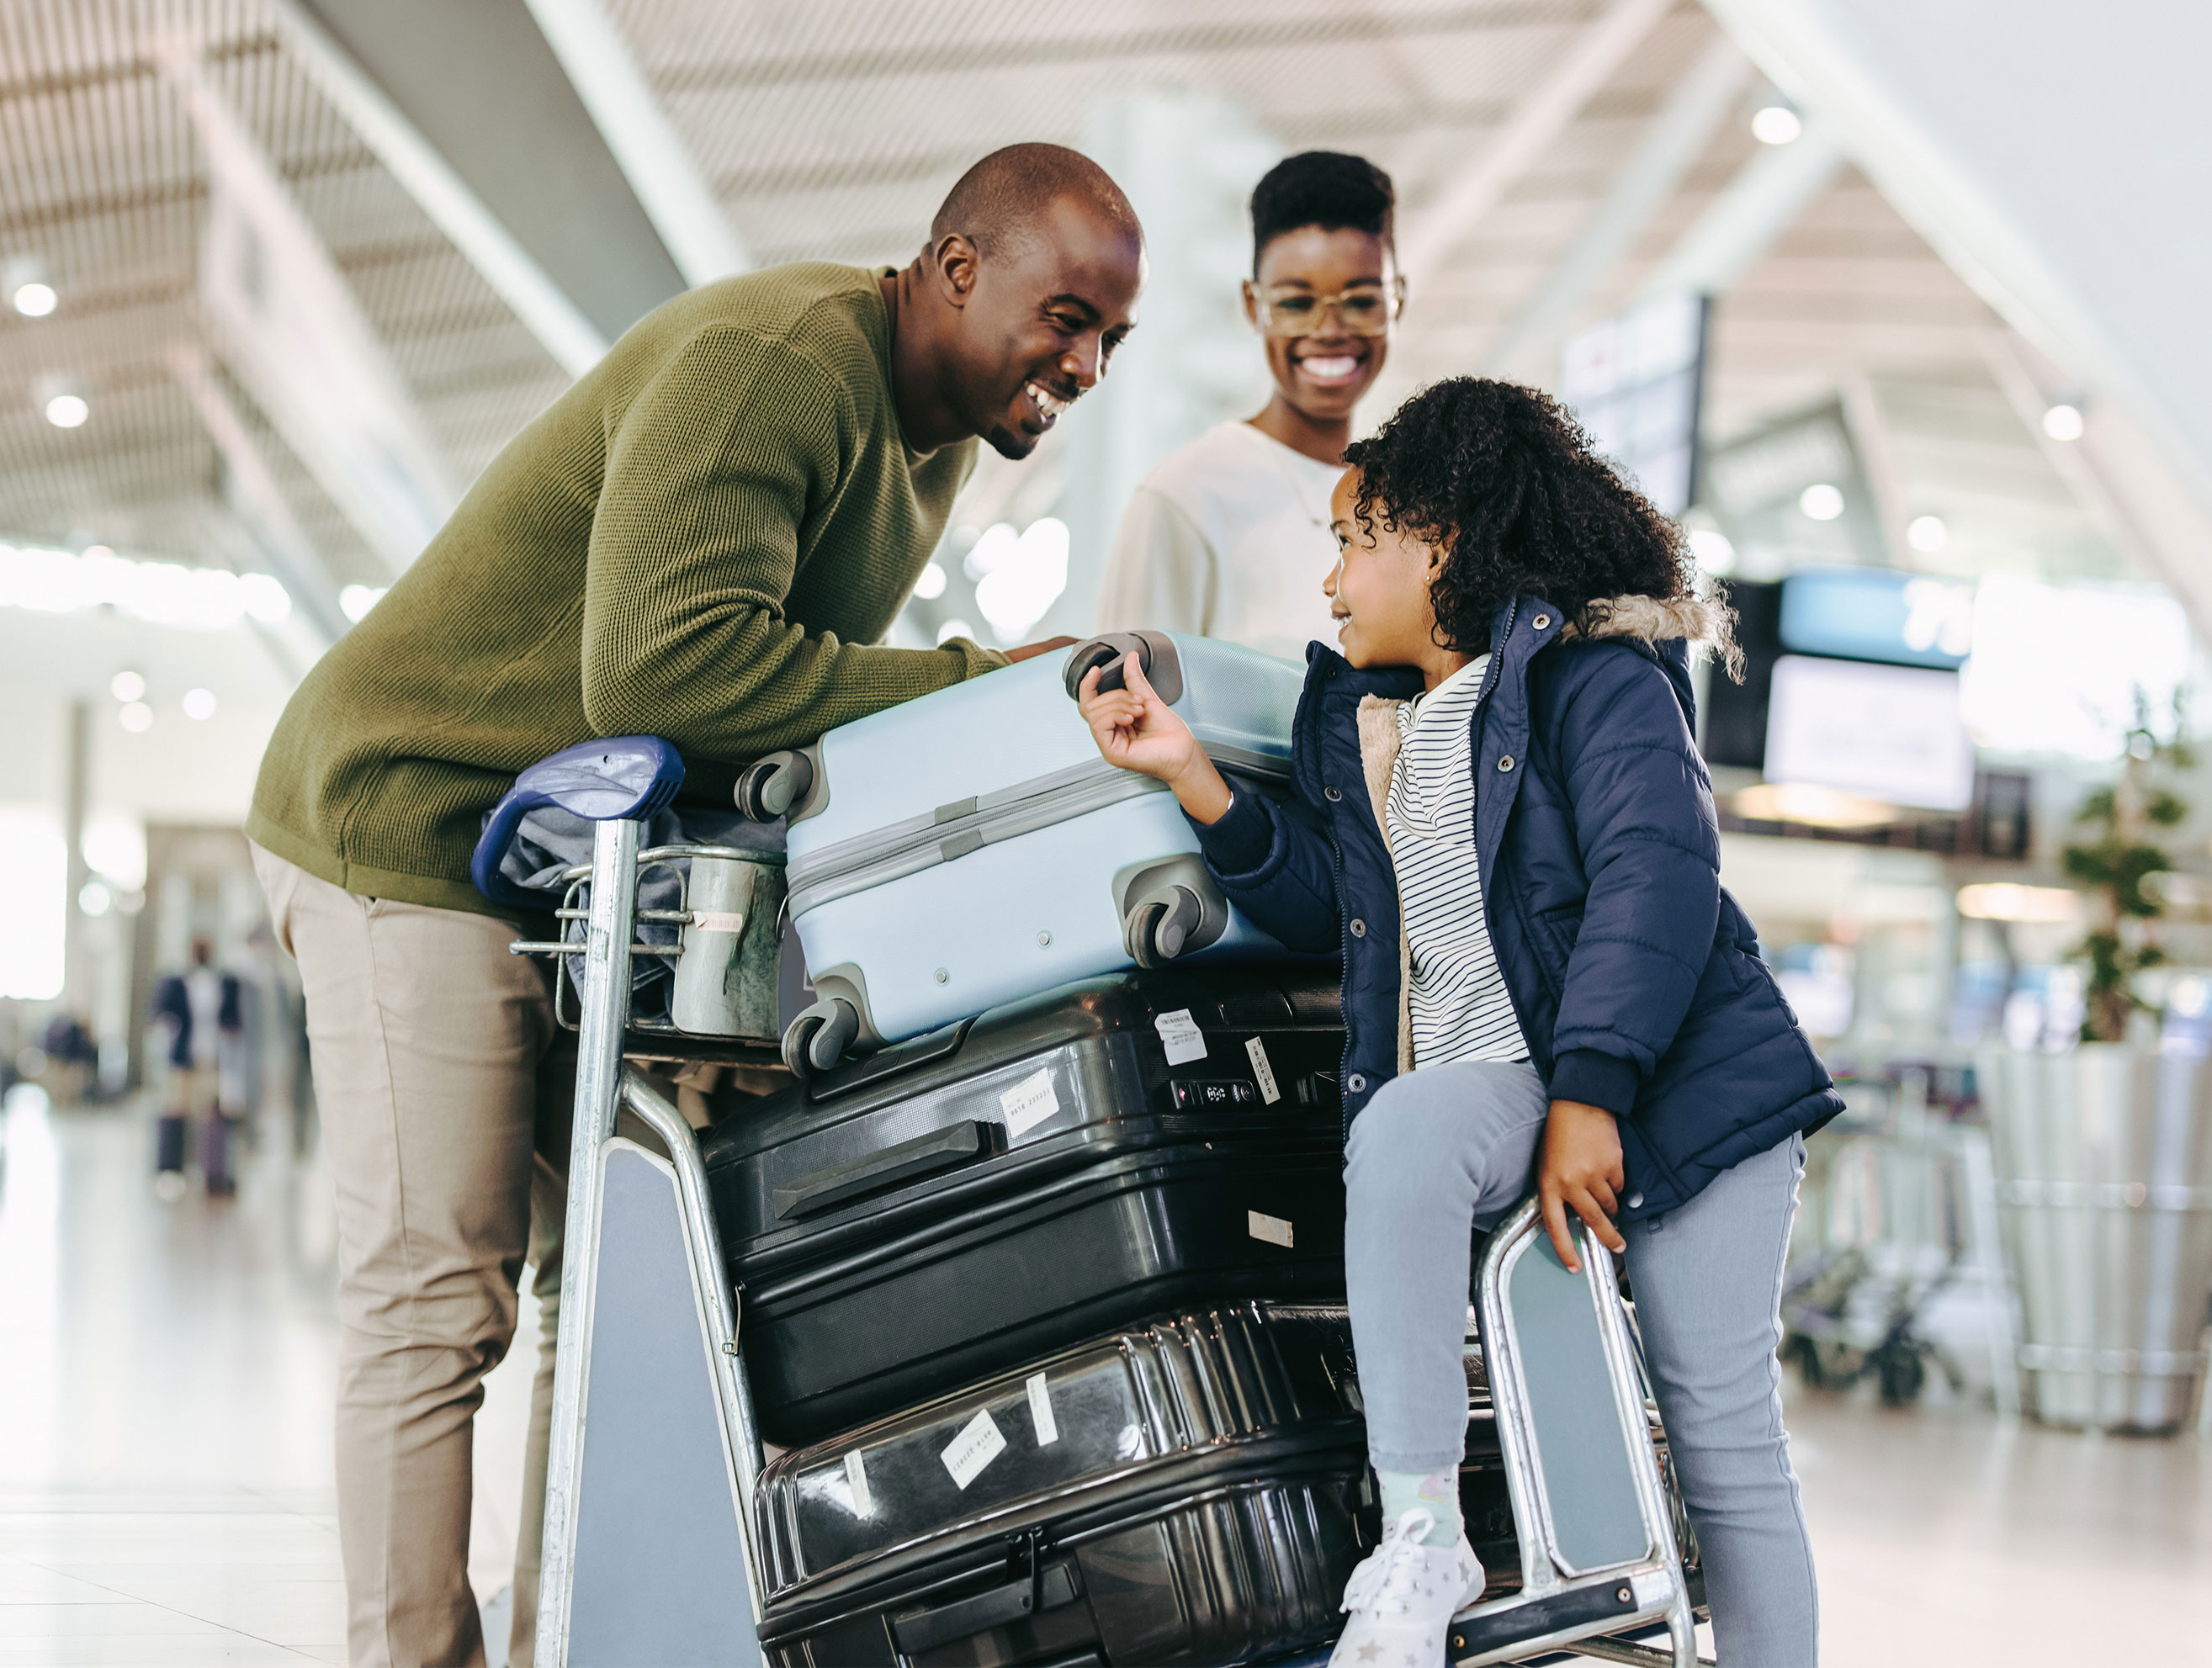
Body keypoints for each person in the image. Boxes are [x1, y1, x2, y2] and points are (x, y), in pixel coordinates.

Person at [246, 145, 1143, 1668]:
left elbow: (756, 712)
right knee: (439, 1296)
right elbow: (668, 675)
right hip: (409, 821)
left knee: (603, 1290)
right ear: (956, 265)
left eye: (1110, 341)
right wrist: (979, 681)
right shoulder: (779, 364)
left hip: (564, 869)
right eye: (1066, 317)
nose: (1085, 363)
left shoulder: (926, 441)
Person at [1076, 377, 1838, 1667]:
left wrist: (1592, 1095)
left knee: (1721, 1440)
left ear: (1438, 539)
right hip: (1511, 1082)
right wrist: (1190, 773)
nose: (1330, 584)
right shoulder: (1372, 725)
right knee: (1412, 1127)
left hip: (1690, 1097)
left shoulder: (1600, 681)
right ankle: (1421, 1532)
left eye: (1352, 542)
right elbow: (1333, 905)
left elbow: (1658, 875)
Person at [1095, 151, 1401, 661]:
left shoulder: (1412, 500)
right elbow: (1122, 716)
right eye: (1296, 303)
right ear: (1253, 305)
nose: (1328, 331)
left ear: (1398, 302)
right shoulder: (1185, 498)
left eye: (1361, 301)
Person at [152, 936, 244, 1199]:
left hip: (212, 1059)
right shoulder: (175, 982)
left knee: (212, 1116)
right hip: (183, 1058)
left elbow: (233, 1019)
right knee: (174, 1111)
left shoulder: (225, 983)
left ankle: (213, 1174)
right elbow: (160, 1014)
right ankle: (170, 1172)